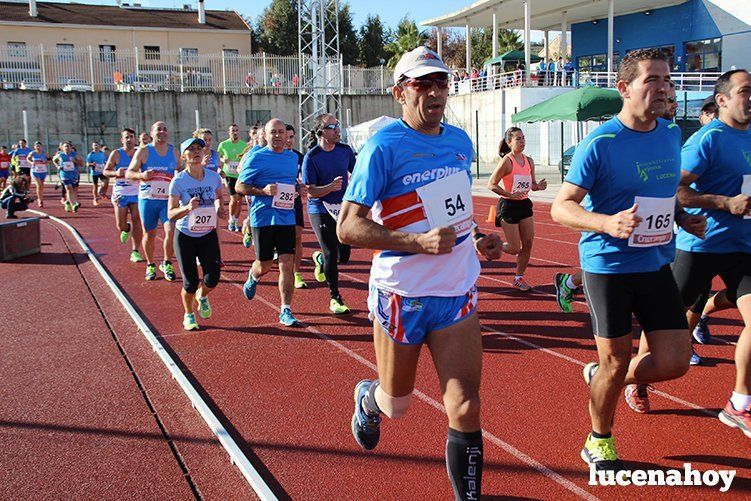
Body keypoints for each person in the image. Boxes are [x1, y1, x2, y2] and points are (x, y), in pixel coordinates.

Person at [338, 47, 502, 500]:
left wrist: (481, 237)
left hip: (457, 292)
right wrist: (417, 242)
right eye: (421, 84)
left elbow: (456, 211)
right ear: (400, 93)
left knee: (466, 405)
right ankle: (368, 397)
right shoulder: (383, 147)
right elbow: (347, 227)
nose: (434, 92)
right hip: (402, 294)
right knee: (397, 405)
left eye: (441, 83)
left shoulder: (460, 142)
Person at [550, 48, 706, 470]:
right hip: (609, 268)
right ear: (624, 88)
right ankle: (598, 441)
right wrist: (604, 223)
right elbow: (561, 207)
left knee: (675, 362)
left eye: (668, 80)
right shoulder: (599, 143)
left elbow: (663, 190)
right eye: (652, 80)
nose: (663, 89)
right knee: (616, 360)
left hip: (656, 262)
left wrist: (682, 217)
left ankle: (601, 375)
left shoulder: (671, 134)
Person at [668, 69, 751, 437]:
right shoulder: (707, 140)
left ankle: (739, 403)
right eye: (745, 91)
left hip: (744, 247)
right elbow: (676, 190)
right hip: (701, 244)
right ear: (723, 100)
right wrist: (722, 202)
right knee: (667, 335)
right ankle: (633, 376)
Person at [236, 119, 307, 327]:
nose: (277, 135)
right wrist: (263, 191)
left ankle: (286, 310)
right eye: (273, 132)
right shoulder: (256, 157)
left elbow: (291, 182)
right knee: (265, 264)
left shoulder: (292, 158)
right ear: (265, 135)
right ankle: (253, 275)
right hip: (263, 217)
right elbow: (240, 186)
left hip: (286, 216)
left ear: (287, 135)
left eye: (281, 132)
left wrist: (298, 190)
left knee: (287, 264)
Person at [168, 137, 225, 330]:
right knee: (190, 282)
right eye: (191, 150)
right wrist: (186, 208)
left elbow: (218, 196)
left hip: (207, 234)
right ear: (184, 156)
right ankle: (189, 314)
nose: (196, 152)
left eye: (199, 148)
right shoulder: (178, 181)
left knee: (213, 277)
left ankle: (203, 296)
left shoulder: (213, 177)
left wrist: (220, 208)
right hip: (185, 235)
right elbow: (170, 213)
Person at [302, 114, 355, 313]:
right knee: (331, 252)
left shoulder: (345, 151)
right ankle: (335, 297)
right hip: (320, 208)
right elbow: (310, 191)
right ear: (320, 132)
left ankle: (320, 260)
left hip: (342, 207)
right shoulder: (312, 157)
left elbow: (357, 172)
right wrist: (330, 187)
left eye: (337, 125)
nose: (337, 130)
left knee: (344, 255)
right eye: (332, 127)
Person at [488, 127, 547, 291]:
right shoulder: (507, 161)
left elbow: (531, 185)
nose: (522, 142)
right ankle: (490, 246)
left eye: (523, 138)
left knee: (528, 243)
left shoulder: (529, 161)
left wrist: (539, 186)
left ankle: (518, 278)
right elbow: (491, 184)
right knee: (515, 248)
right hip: (509, 205)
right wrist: (509, 194)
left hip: (524, 204)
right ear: (509, 142)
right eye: (518, 139)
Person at [127, 121, 181, 281]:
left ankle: (167, 262)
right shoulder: (144, 151)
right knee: (149, 234)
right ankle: (151, 265)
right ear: (152, 133)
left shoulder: (174, 151)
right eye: (159, 129)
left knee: (171, 231)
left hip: (167, 201)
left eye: (165, 129)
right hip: (148, 200)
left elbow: (180, 170)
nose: (162, 132)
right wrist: (141, 176)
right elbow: (129, 173)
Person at [104, 128, 143, 263]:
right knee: (120, 224)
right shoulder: (116, 154)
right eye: (126, 137)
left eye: (131, 137)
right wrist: (116, 173)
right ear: (122, 140)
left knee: (137, 220)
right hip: (121, 191)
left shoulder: (140, 153)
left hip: (137, 191)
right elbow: (106, 171)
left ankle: (135, 251)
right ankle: (126, 229)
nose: (129, 139)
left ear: (135, 139)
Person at [286, 124, 308, 289]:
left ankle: (295, 273)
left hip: (294, 201)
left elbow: (306, 179)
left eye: (291, 137)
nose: (288, 140)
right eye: (286, 136)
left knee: (297, 236)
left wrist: (304, 187)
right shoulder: (270, 157)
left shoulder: (300, 157)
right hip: (274, 204)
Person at [217, 124, 246, 232]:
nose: (235, 132)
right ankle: (231, 220)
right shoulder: (223, 145)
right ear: (228, 132)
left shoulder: (243, 145)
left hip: (240, 175)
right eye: (233, 130)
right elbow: (217, 156)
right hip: (229, 175)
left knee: (239, 200)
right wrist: (222, 159)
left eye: (236, 130)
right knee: (234, 199)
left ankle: (235, 220)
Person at [53, 142, 80, 212]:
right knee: (68, 188)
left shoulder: (75, 155)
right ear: (62, 148)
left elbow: (82, 164)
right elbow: (54, 160)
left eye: (68, 146)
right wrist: (58, 166)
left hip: (74, 174)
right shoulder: (60, 155)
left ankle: (68, 203)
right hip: (64, 174)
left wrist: (75, 161)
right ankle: (74, 205)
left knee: (72, 190)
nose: (66, 148)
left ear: (71, 147)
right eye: (65, 146)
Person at [26, 141, 48, 208]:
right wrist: (31, 162)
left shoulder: (45, 153)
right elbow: (27, 159)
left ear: (41, 146)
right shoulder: (32, 153)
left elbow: (51, 160)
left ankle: (40, 197)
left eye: (39, 146)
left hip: (43, 171)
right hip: (35, 171)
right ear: (34, 147)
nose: (38, 147)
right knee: (38, 185)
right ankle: (40, 200)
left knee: (41, 186)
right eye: (36, 146)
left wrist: (45, 162)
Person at [87, 142, 108, 206]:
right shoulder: (90, 154)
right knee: (95, 186)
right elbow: (87, 164)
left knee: (105, 182)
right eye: (94, 145)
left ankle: (100, 189)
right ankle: (95, 199)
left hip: (101, 171)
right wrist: (92, 164)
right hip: (94, 172)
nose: (96, 146)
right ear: (92, 147)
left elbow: (105, 161)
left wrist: (105, 163)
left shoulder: (102, 153)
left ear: (99, 146)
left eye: (97, 145)